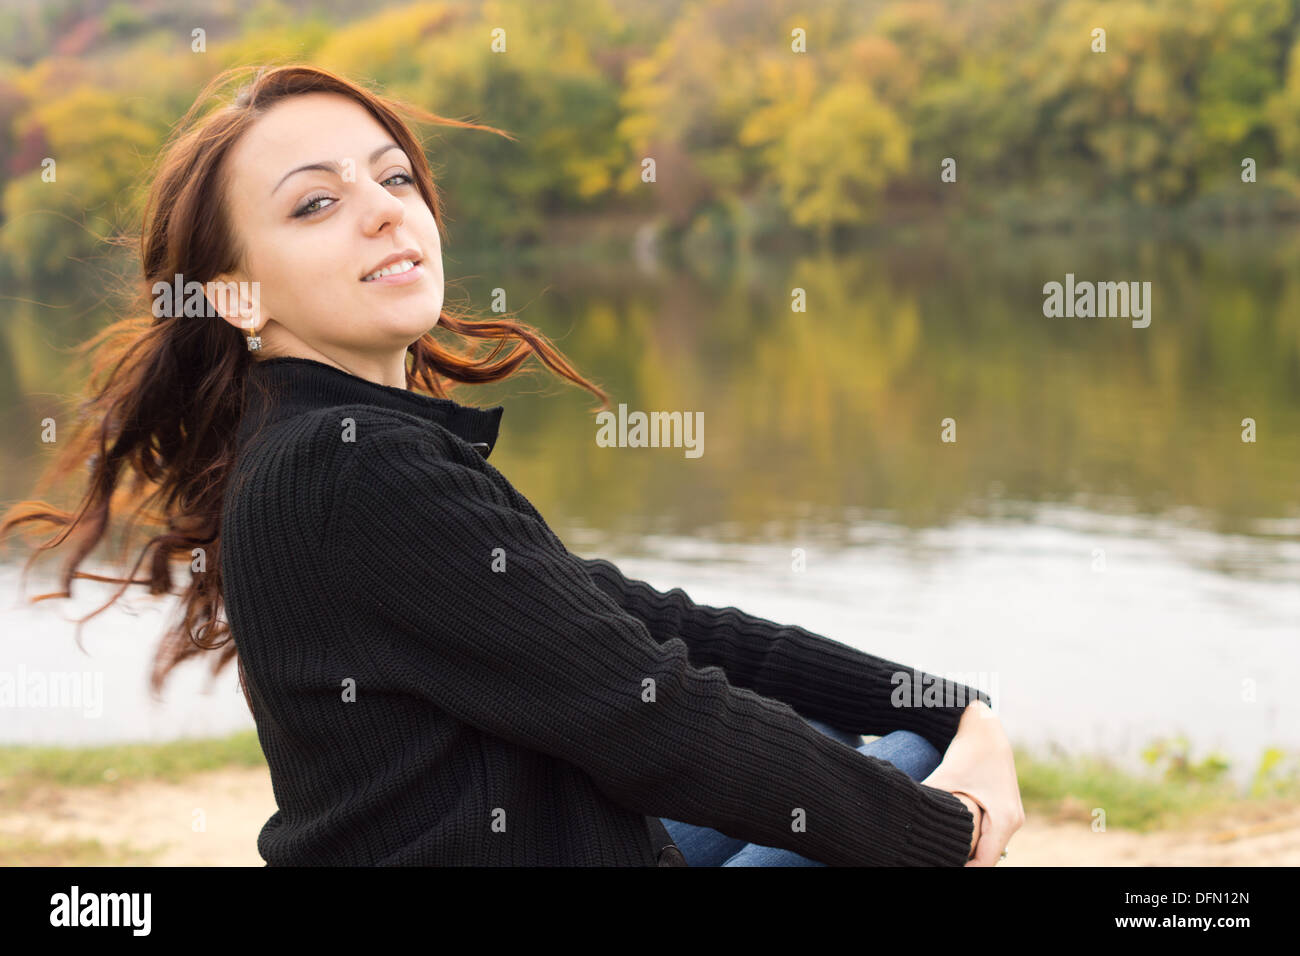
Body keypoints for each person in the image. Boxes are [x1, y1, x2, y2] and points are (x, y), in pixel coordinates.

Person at [1, 64, 1023, 866]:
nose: (383, 208)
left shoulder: (337, 440)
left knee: (893, 738)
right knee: (902, 784)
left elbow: (644, 619)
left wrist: (941, 697)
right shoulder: (349, 469)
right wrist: (948, 832)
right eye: (315, 204)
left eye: (393, 176)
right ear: (236, 297)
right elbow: (654, 714)